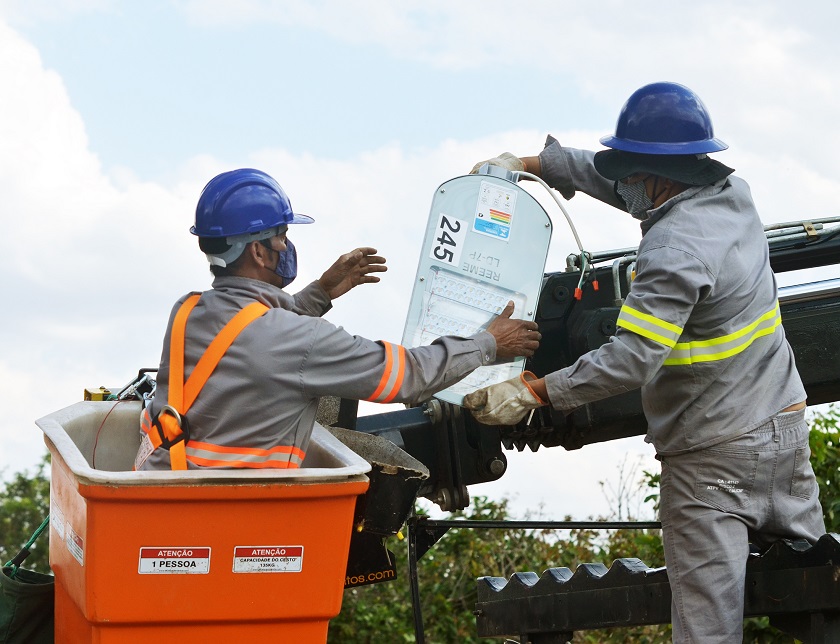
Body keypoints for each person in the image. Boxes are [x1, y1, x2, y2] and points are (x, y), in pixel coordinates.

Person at [464, 82, 825, 643]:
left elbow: (631, 358)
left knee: (708, 630)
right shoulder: (730, 193)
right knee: (822, 598)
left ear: (657, 176)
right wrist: (538, 164)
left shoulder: (674, 250)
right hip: (782, 429)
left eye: (631, 172)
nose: (622, 184)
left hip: (712, 459)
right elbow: (614, 178)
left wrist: (535, 393)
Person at [135, 167, 540, 472]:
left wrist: (320, 293)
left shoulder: (187, 312)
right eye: (281, 236)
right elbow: (409, 377)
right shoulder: (300, 341)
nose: (286, 245)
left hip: (165, 491)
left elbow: (250, 337)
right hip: (234, 520)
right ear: (258, 252)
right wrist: (488, 342)